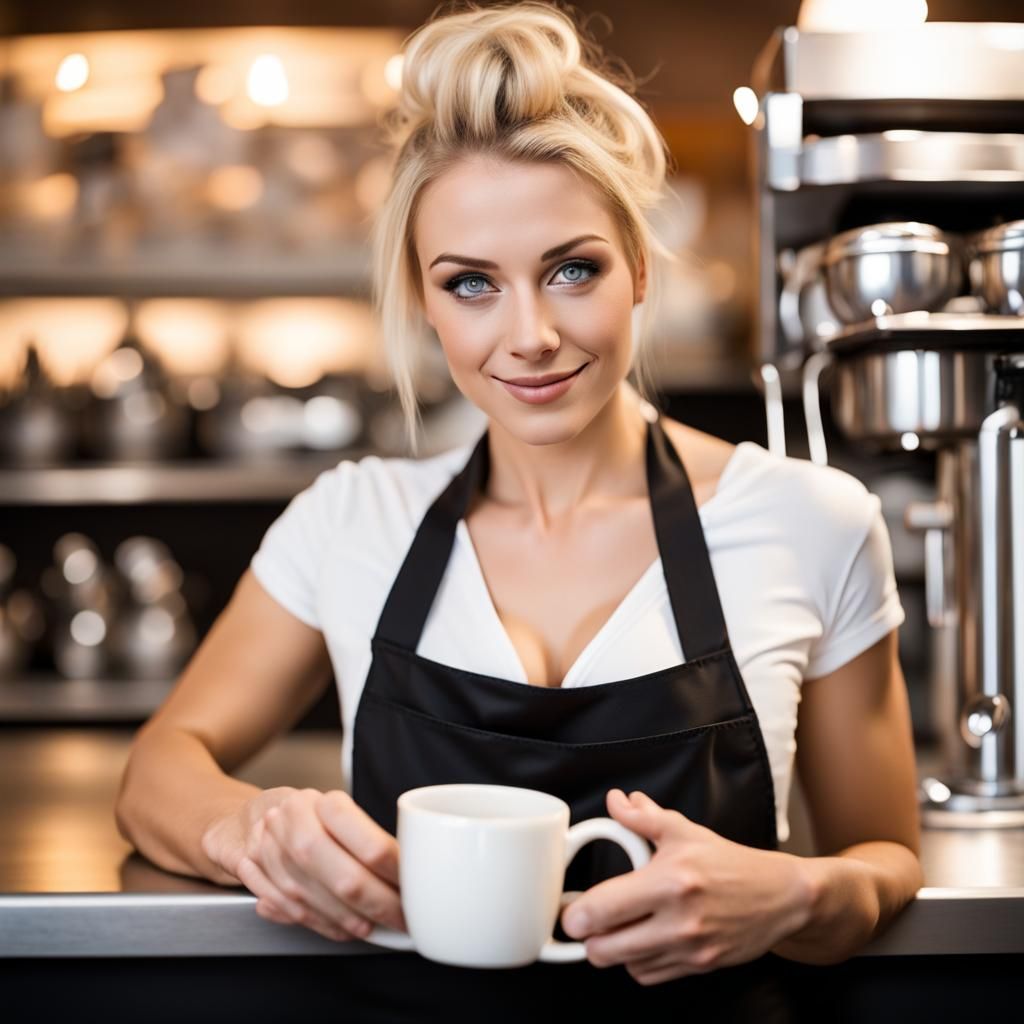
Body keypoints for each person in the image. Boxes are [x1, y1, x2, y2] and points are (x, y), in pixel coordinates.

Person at [114, 2, 923, 1019]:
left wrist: (798, 892)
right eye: (470, 285)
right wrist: (251, 826)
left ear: (638, 264)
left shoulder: (813, 522)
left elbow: (885, 862)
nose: (529, 334)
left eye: (571, 269)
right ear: (421, 298)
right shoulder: (350, 521)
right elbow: (156, 772)